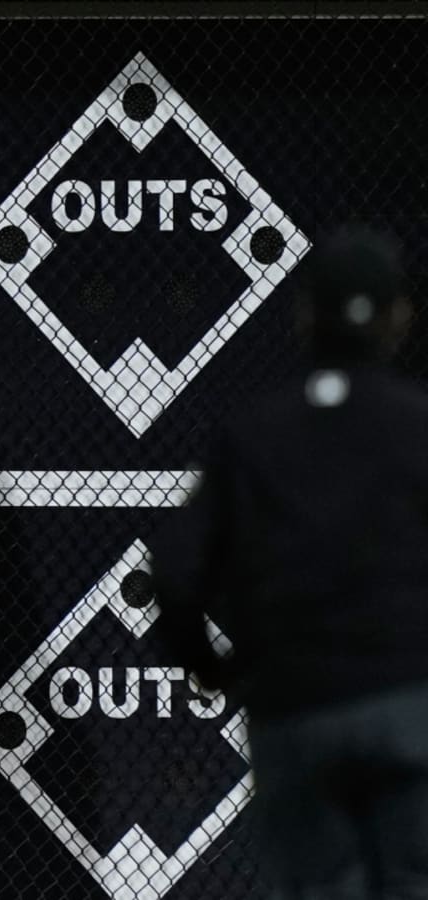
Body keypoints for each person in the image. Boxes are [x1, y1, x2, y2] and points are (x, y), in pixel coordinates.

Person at [151, 226, 428, 899]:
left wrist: (216, 670)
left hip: (294, 711)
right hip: (408, 705)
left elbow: (177, 577)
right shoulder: (419, 424)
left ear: (304, 317)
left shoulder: (251, 434)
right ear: (399, 318)